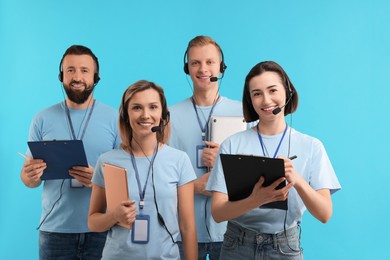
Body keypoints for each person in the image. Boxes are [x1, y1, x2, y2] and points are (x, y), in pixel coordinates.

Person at [206, 61, 341, 259]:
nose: (266, 100)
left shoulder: (311, 146)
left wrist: (296, 179)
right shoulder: (232, 144)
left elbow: (324, 214)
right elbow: (218, 213)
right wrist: (255, 200)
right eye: (257, 94)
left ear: (287, 92)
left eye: (272, 90)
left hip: (285, 246)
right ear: (250, 100)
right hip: (238, 245)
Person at [20, 45, 120, 260]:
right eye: (70, 70)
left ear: (95, 76)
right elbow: (29, 181)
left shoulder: (116, 119)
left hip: (102, 228)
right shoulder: (42, 119)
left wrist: (98, 180)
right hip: (55, 231)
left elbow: (128, 179)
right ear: (61, 76)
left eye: (84, 70)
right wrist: (29, 176)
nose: (77, 77)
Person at [88, 80, 198, 259]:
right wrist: (114, 216)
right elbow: (93, 222)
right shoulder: (107, 161)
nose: (145, 115)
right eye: (137, 107)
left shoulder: (179, 160)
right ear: (125, 114)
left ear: (163, 114)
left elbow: (187, 226)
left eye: (153, 107)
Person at [169, 35, 246, 259]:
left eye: (210, 62)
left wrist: (224, 166)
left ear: (221, 68)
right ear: (187, 68)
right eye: (195, 63)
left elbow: (255, 176)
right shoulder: (169, 116)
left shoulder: (244, 114)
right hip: (183, 232)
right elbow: (157, 176)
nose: (203, 69)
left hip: (233, 233)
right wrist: (194, 187)